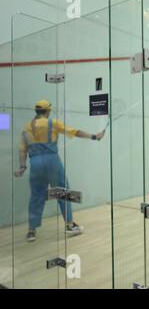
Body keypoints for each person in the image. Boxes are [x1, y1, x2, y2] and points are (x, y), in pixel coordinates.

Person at [15, 99, 105, 242]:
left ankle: (31, 231)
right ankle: (70, 225)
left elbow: (22, 150)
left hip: (35, 164)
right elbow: (75, 132)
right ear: (48, 111)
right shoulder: (53, 123)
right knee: (63, 191)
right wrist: (94, 136)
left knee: (36, 195)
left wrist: (22, 167)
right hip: (52, 162)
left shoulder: (26, 128)